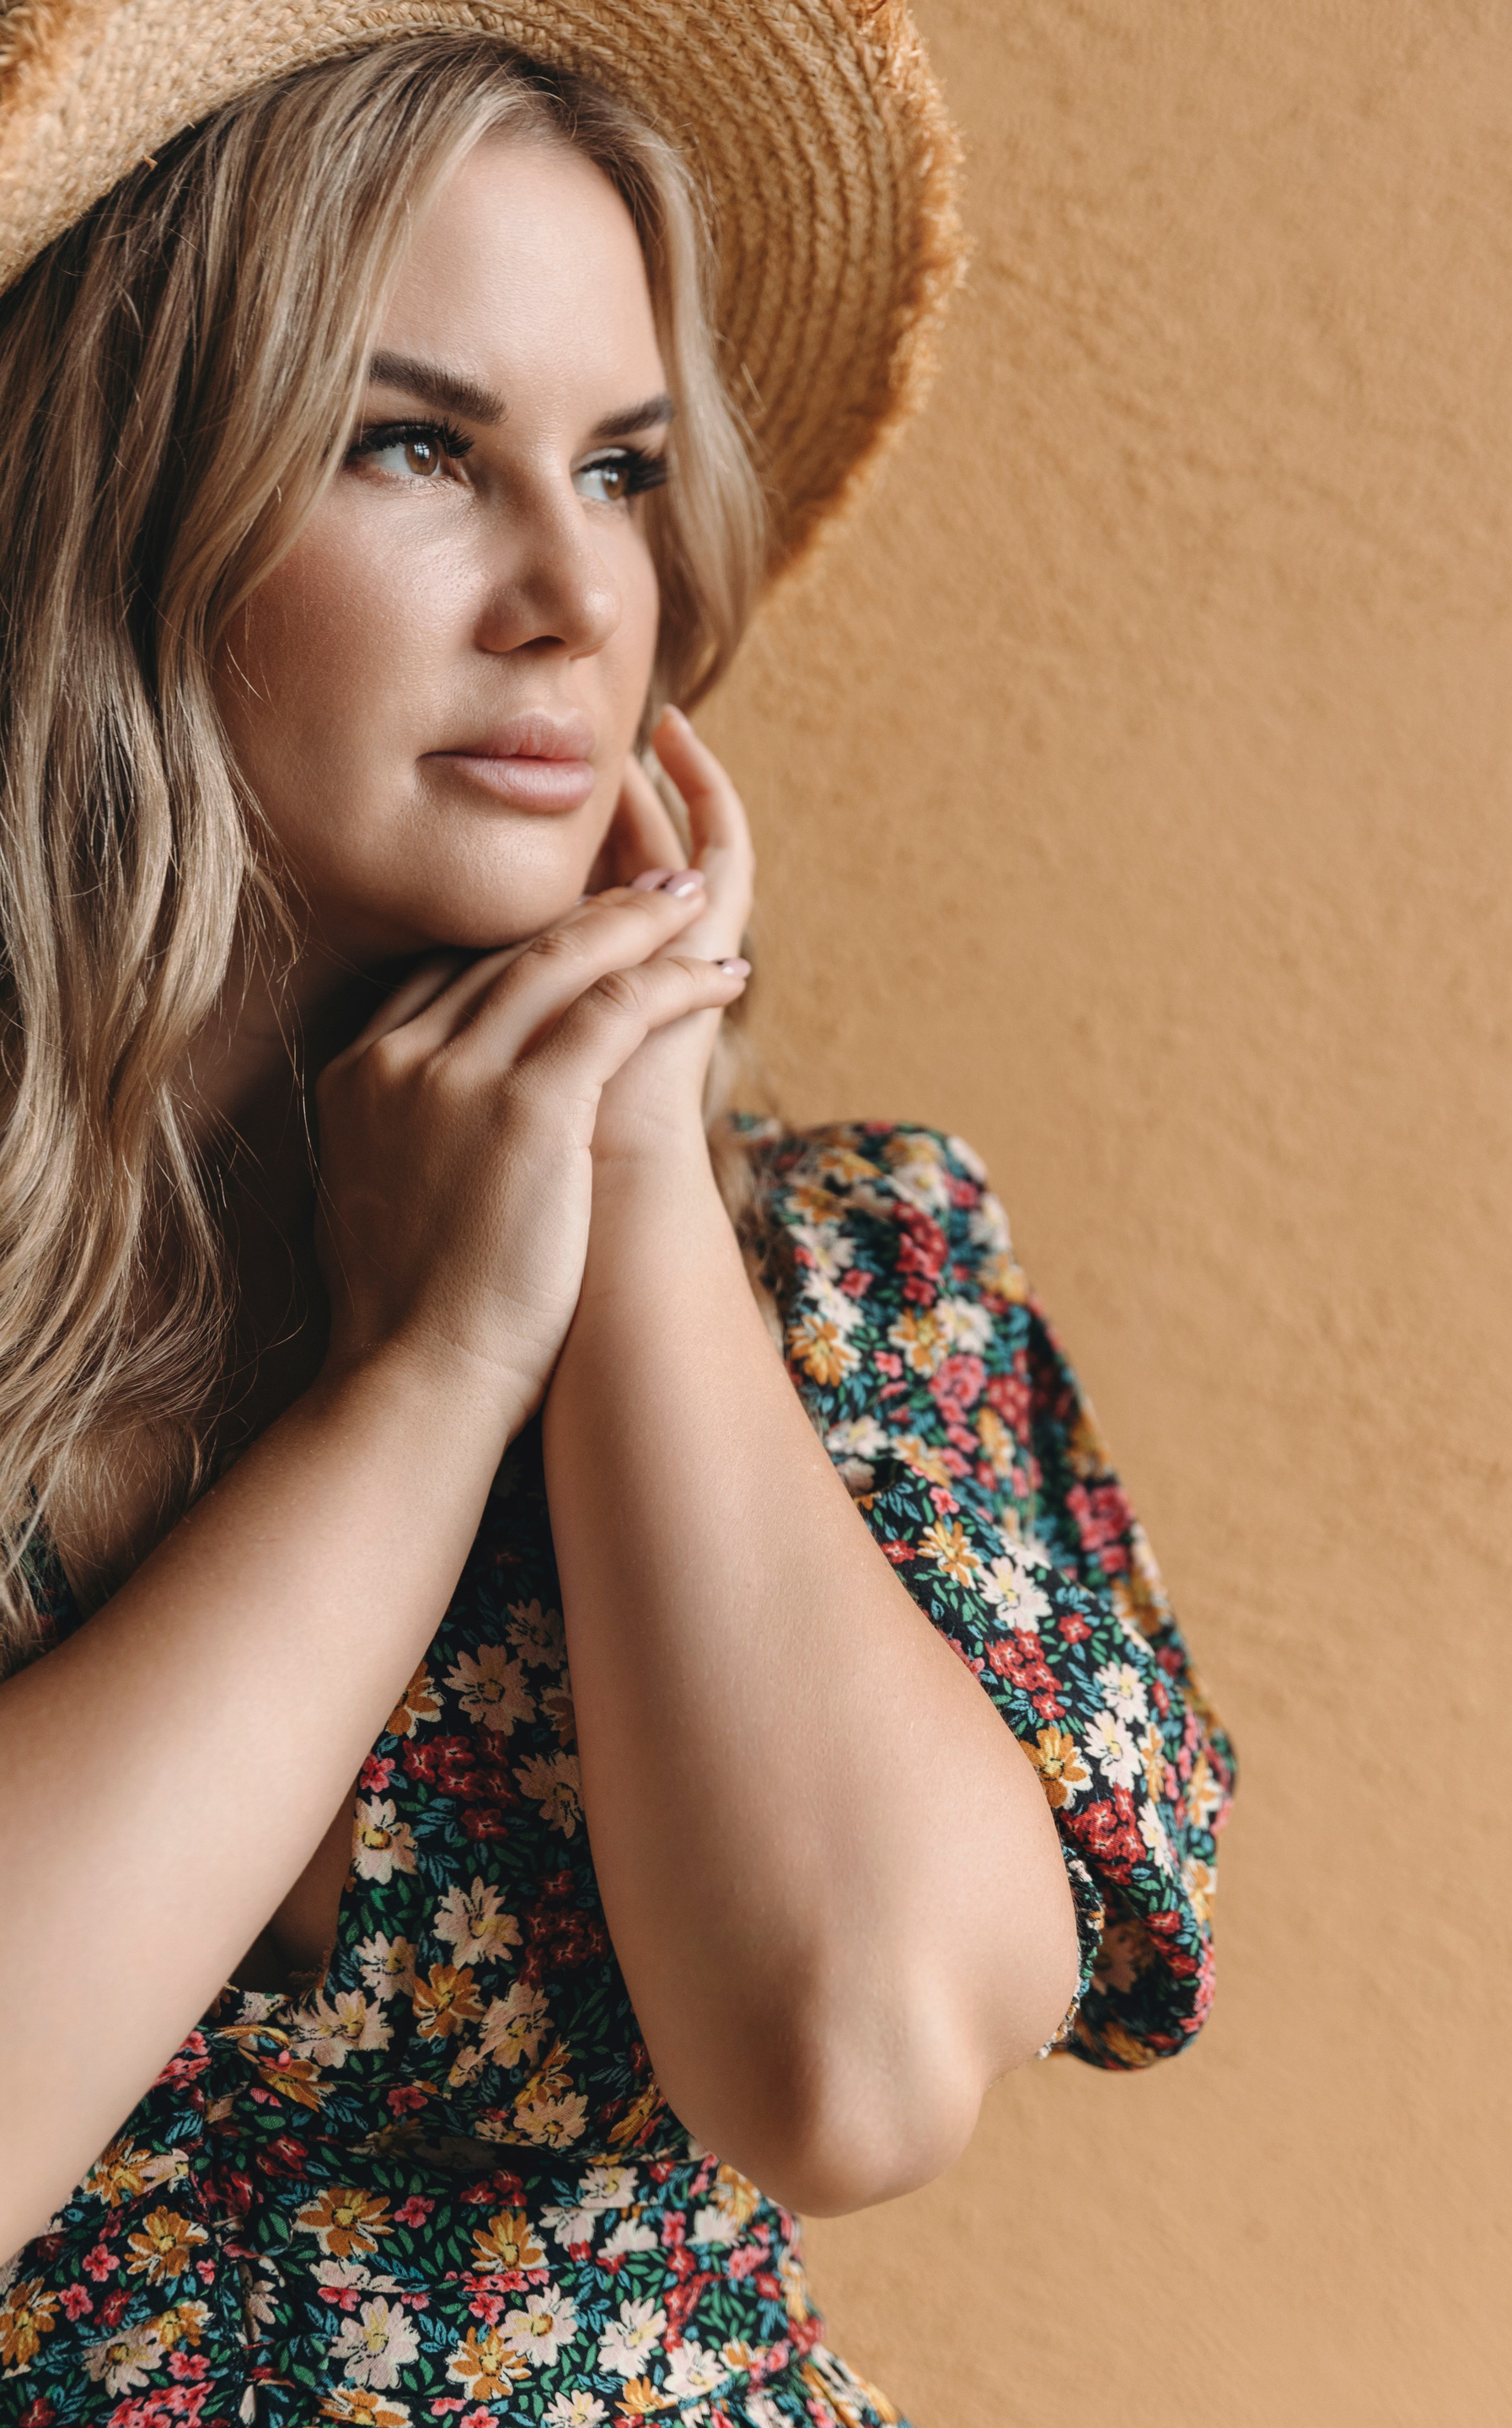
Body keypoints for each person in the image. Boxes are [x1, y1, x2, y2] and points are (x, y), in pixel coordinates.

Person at [0, 9, 1236, 2425]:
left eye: (627, 468)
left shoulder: (846, 1278)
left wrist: (639, 1169)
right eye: (414, 445)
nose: (579, 591)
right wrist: (421, 1384)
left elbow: (855, 2064)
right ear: (114, 484)